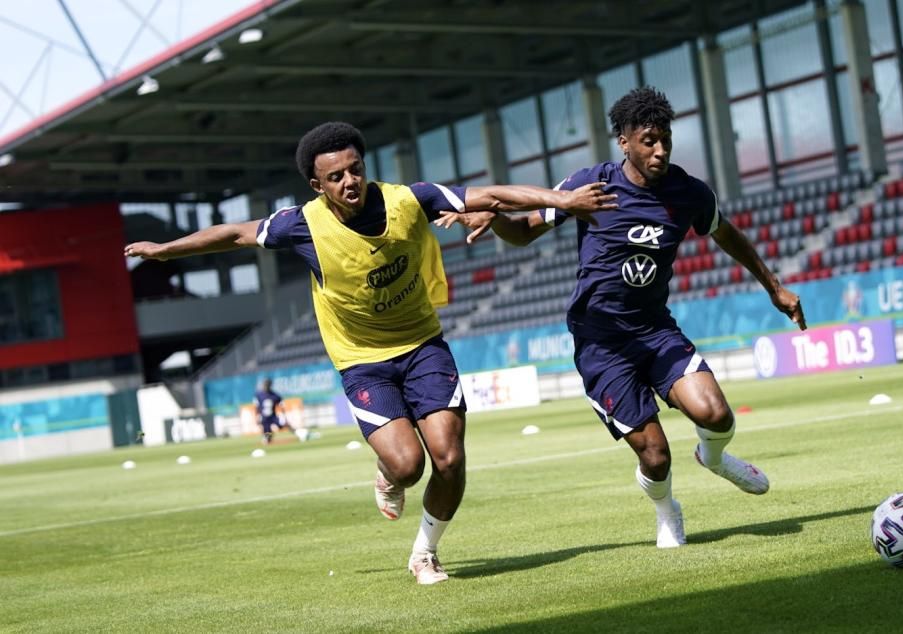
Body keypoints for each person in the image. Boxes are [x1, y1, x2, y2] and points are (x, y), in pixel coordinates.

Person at [124, 121, 615, 583]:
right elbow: (233, 234)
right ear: (318, 186)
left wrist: (564, 198)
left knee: (448, 458)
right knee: (408, 466)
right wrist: (166, 250)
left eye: (355, 169)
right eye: (335, 176)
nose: (349, 181)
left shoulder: (410, 199)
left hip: (423, 345)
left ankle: (425, 550)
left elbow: (490, 194)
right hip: (361, 360)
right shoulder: (300, 225)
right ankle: (387, 469)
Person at [437, 87, 806, 548]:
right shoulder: (591, 185)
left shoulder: (688, 192)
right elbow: (525, 231)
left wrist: (775, 287)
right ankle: (667, 511)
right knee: (655, 458)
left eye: (666, 139)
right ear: (624, 142)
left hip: (654, 329)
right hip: (600, 342)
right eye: (649, 140)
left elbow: (724, 232)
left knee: (716, 414)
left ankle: (713, 458)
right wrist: (495, 218)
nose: (660, 150)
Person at [254, 378, 292, 444]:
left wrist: (284, 416)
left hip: (273, 416)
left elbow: (281, 405)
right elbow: (256, 407)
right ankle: (268, 438)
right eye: (265, 385)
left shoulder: (275, 395)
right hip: (264, 418)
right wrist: (257, 417)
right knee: (268, 436)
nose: (265, 386)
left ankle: (298, 432)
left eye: (267, 385)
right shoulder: (259, 395)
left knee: (283, 424)